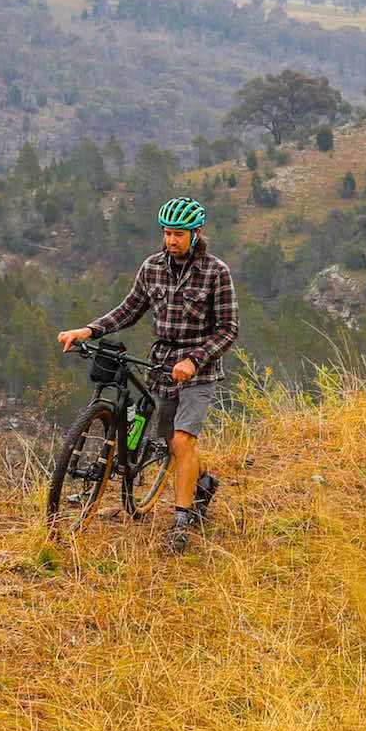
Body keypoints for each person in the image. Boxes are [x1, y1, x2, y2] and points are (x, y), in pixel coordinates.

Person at [57, 196, 238, 554]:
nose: (171, 241)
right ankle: (202, 483)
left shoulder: (216, 272)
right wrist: (88, 331)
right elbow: (129, 310)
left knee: (182, 442)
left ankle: (182, 521)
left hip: (198, 371)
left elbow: (228, 329)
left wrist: (194, 361)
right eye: (167, 233)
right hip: (161, 366)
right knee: (168, 440)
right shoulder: (152, 267)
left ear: (196, 233)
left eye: (179, 234)